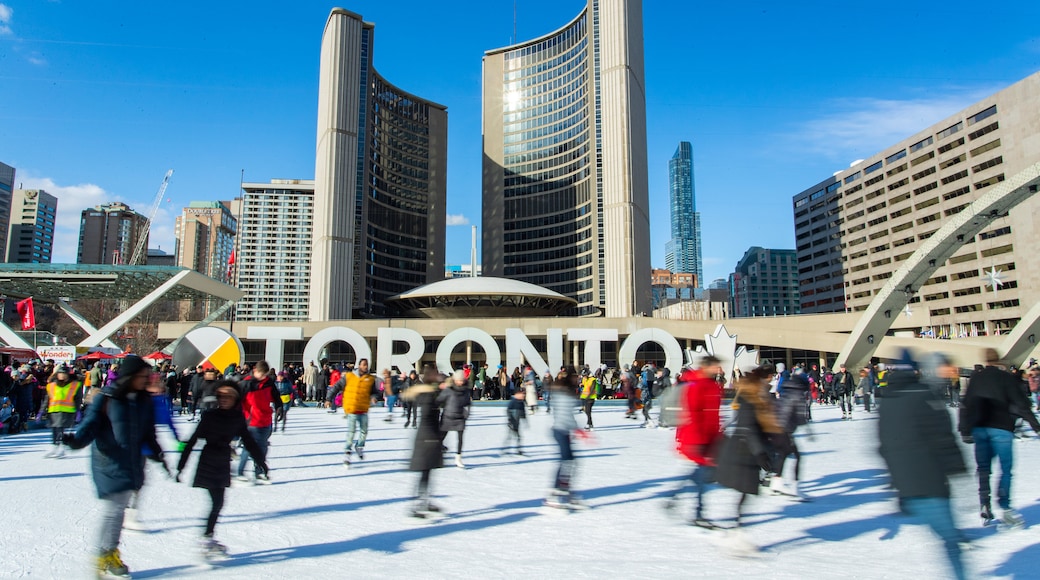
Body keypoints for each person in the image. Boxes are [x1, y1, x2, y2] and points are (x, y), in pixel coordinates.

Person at [62, 355, 167, 579]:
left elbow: (149, 433)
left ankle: (108, 552)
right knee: (115, 509)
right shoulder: (107, 398)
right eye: (142, 376)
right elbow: (90, 425)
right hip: (108, 461)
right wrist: (76, 440)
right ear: (129, 376)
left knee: (118, 510)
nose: (145, 380)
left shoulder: (143, 401)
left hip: (131, 461)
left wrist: (158, 453)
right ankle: (105, 555)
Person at [879, 353, 969, 580]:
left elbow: (883, 446)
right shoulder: (925, 396)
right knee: (950, 541)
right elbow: (944, 440)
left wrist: (896, 480)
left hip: (906, 485)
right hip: (930, 481)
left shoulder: (887, 401)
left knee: (946, 534)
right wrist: (959, 471)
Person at [177, 382, 267, 559]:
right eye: (222, 397)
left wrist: (261, 462)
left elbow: (248, 441)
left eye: (229, 397)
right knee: (217, 502)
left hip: (223, 462)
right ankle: (207, 538)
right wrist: (181, 465)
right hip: (209, 460)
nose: (224, 400)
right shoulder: (210, 416)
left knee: (218, 503)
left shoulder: (237, 418)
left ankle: (208, 537)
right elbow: (194, 439)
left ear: (235, 399)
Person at [959, 348, 1040, 527]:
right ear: (998, 360)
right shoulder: (1006, 377)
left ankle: (985, 504)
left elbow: (966, 403)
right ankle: (1005, 506)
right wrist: (1036, 427)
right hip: (1001, 428)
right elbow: (1021, 403)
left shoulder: (976, 378)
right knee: (1005, 469)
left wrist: (964, 428)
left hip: (980, 428)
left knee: (983, 469)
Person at [715, 364, 783, 554]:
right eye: (768, 378)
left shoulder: (757, 395)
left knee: (746, 493)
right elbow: (748, 427)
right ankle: (735, 533)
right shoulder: (751, 396)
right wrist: (760, 452)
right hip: (743, 451)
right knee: (746, 491)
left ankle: (735, 531)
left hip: (748, 450)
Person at [666, 356, 723, 528]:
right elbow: (693, 414)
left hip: (710, 437)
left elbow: (713, 413)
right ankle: (697, 513)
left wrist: (717, 435)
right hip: (697, 438)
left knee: (699, 475)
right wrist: (697, 440)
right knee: (701, 476)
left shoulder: (712, 385)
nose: (718, 370)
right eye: (715, 366)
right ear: (706, 367)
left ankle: (675, 498)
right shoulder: (696, 386)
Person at [403, 370, 446, 520]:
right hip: (426, 441)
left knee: (427, 474)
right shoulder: (428, 397)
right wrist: (434, 438)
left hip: (430, 440)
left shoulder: (431, 395)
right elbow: (427, 419)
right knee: (424, 474)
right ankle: (416, 505)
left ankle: (425, 502)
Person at [546, 370, 587, 509]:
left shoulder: (564, 393)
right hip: (561, 430)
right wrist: (579, 430)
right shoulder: (565, 394)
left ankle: (566, 491)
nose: (578, 381)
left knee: (569, 461)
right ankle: (557, 491)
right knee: (567, 462)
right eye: (576, 378)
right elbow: (566, 416)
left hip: (563, 431)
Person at [770, 366, 811, 499]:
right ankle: (795, 486)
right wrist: (808, 430)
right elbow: (800, 416)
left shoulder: (787, 390)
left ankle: (776, 482)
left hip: (776, 428)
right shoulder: (798, 394)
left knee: (783, 454)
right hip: (784, 430)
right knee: (797, 456)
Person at [237, 361, 281, 483]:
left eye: (264, 375)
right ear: (255, 371)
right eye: (261, 374)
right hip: (251, 422)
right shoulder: (246, 383)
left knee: (262, 448)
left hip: (265, 420)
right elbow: (236, 401)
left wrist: (279, 407)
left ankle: (259, 472)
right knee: (249, 448)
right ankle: (240, 473)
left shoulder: (268, 383)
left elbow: (276, 396)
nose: (263, 377)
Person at [334, 358, 374, 465]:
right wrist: (329, 398)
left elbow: (374, 392)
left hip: (363, 409)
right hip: (351, 409)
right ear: (359, 366)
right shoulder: (349, 376)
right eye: (364, 364)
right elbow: (336, 386)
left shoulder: (370, 379)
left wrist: (374, 397)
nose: (366, 366)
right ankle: (347, 452)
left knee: (364, 431)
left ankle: (359, 446)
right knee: (351, 432)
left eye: (367, 365)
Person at [41, 364, 83, 458]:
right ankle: (54, 447)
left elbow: (78, 399)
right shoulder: (52, 385)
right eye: (60, 373)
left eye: (64, 373)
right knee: (55, 429)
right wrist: (41, 411)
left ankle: (62, 447)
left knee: (61, 429)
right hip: (53, 410)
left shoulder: (74, 384)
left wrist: (78, 411)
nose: (62, 375)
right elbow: (47, 399)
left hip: (67, 410)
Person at [439, 369, 472, 468]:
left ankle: (458, 458)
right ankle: (437, 456)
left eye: (461, 380)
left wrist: (466, 414)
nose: (460, 382)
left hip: (460, 418)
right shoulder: (448, 390)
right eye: (458, 380)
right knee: (440, 437)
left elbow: (468, 404)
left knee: (460, 439)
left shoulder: (466, 391)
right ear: (454, 380)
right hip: (447, 417)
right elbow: (439, 400)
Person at [504, 388, 527, 455]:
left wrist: (525, 419)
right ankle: (506, 449)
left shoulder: (521, 403)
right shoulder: (513, 402)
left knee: (518, 437)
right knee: (510, 437)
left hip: (517, 423)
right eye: (521, 394)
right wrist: (510, 421)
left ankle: (518, 450)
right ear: (517, 395)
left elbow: (523, 412)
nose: (523, 396)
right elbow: (508, 411)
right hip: (512, 424)